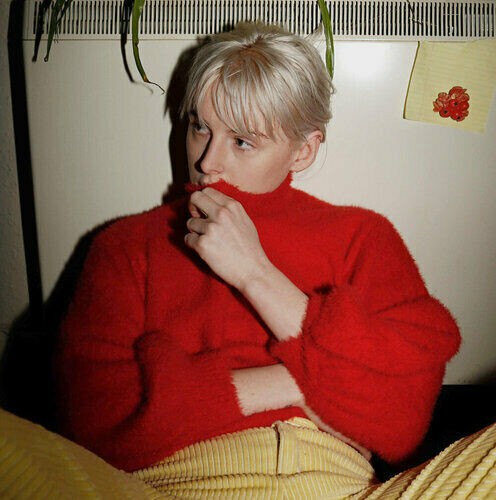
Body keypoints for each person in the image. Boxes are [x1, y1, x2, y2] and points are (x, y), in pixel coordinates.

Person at [56, 22, 462, 497]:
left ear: (303, 151)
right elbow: (92, 426)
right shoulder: (125, 247)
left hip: (341, 484)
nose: (206, 161)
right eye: (200, 127)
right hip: (182, 483)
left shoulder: (362, 237)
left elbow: (402, 422)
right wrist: (298, 387)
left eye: (242, 141)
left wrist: (255, 274)